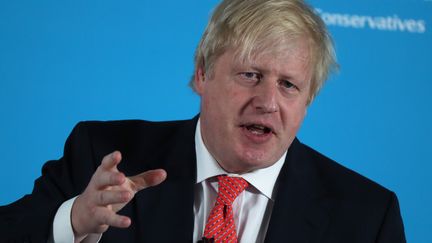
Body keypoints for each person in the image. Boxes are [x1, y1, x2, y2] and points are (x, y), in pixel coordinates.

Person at [0, 0, 406, 242]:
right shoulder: (104, 154)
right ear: (202, 73)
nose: (267, 101)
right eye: (250, 75)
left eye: (288, 85)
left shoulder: (367, 216)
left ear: (308, 101)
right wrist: (72, 220)